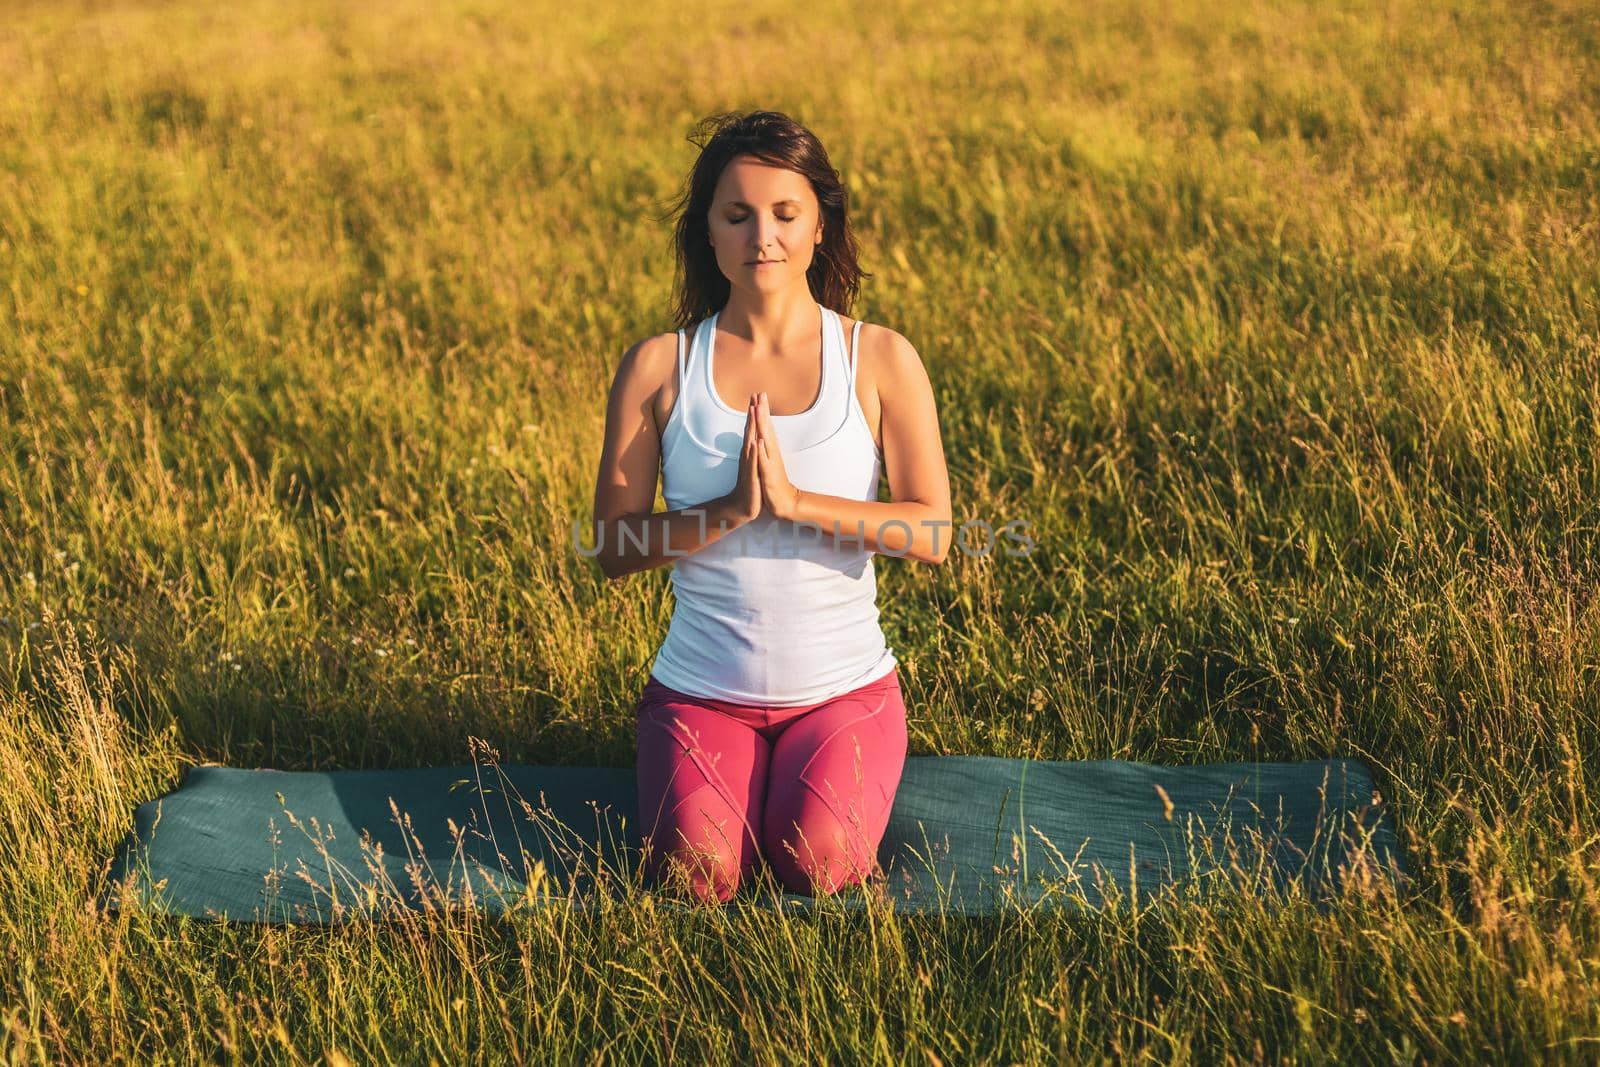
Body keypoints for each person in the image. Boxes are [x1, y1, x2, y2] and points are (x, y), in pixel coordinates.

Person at [590, 110, 952, 904]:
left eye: (786, 213)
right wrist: (726, 512)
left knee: (816, 863)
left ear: (820, 223)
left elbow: (931, 531)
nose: (764, 235)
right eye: (737, 214)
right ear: (707, 234)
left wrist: (794, 502)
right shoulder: (658, 366)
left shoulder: (879, 357)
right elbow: (614, 548)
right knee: (698, 873)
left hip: (843, 693)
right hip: (697, 691)